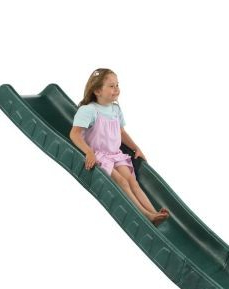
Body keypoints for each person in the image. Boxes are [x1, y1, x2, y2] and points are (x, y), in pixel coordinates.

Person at [69, 68, 170, 226]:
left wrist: (136, 147)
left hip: (115, 154)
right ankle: (146, 215)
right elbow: (74, 134)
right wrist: (88, 152)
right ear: (97, 90)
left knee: (132, 181)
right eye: (111, 86)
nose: (116, 89)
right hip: (99, 155)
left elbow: (121, 132)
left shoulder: (115, 109)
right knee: (122, 182)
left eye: (117, 85)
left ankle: (155, 213)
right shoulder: (88, 110)